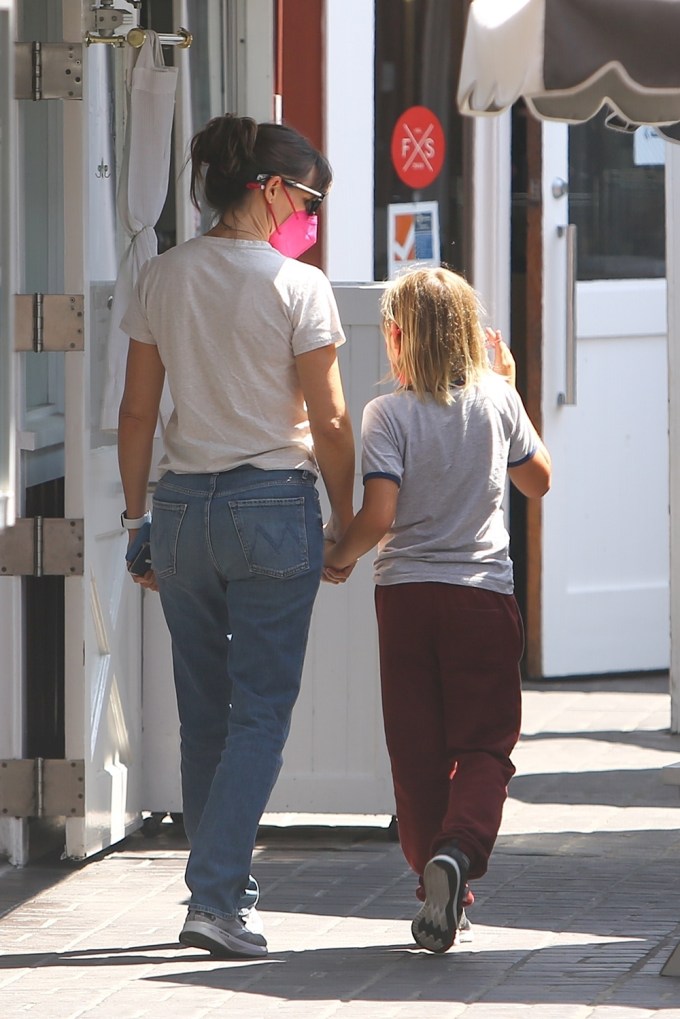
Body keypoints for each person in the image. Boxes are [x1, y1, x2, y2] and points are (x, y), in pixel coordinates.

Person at [117, 114, 355, 959]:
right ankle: (215, 899)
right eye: (308, 196)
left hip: (181, 510)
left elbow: (138, 411)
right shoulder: (300, 286)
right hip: (272, 506)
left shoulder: (164, 275)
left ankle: (218, 891)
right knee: (260, 713)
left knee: (204, 712)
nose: (310, 212)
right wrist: (345, 519)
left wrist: (136, 521)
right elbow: (327, 418)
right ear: (270, 190)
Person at [324, 266, 551, 954]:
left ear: (397, 337)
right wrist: (509, 390)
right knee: (484, 744)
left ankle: (435, 886)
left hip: (407, 599)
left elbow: (381, 511)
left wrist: (343, 553)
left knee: (416, 751)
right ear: (471, 337)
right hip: (482, 595)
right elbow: (538, 481)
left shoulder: (386, 413)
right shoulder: (497, 399)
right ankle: (459, 851)